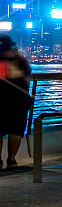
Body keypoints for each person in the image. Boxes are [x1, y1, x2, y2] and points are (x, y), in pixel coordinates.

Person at [0, 35, 32, 169]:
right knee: (15, 131)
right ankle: (11, 160)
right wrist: (18, 55)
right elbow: (28, 72)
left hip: (1, 101)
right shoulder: (19, 60)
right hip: (19, 102)